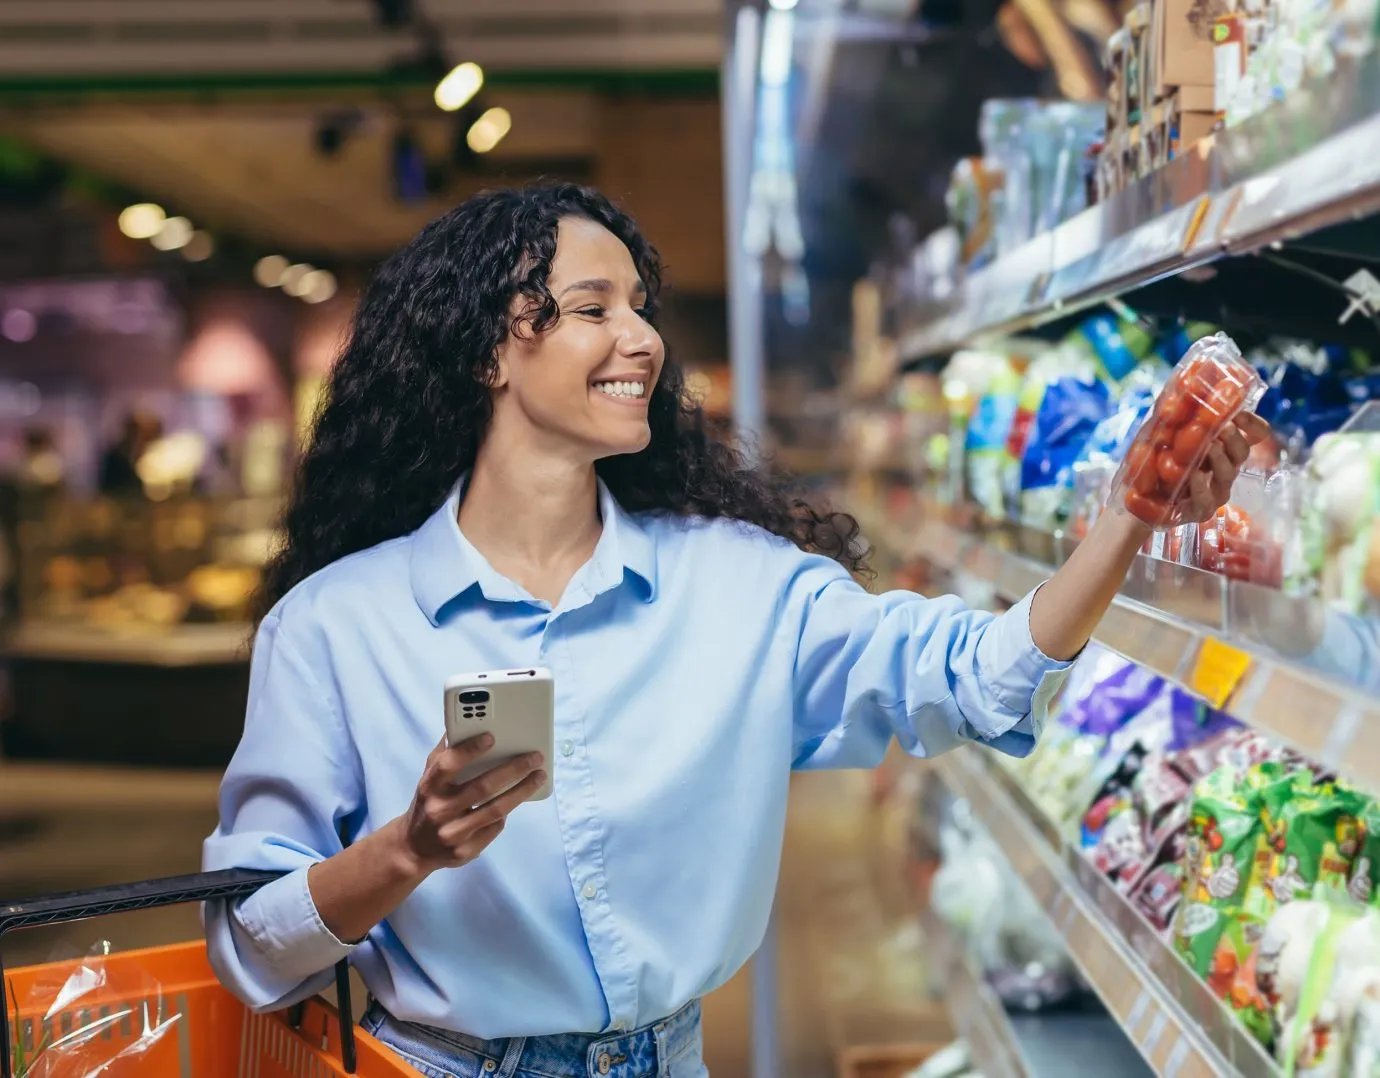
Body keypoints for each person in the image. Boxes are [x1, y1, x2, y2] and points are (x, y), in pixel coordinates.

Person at [202, 183, 1265, 1078]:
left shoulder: (741, 588)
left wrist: (1132, 509)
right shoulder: (335, 628)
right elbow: (250, 944)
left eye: (643, 304)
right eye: (592, 306)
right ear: (488, 352)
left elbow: (977, 679)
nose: (643, 337)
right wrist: (407, 849)